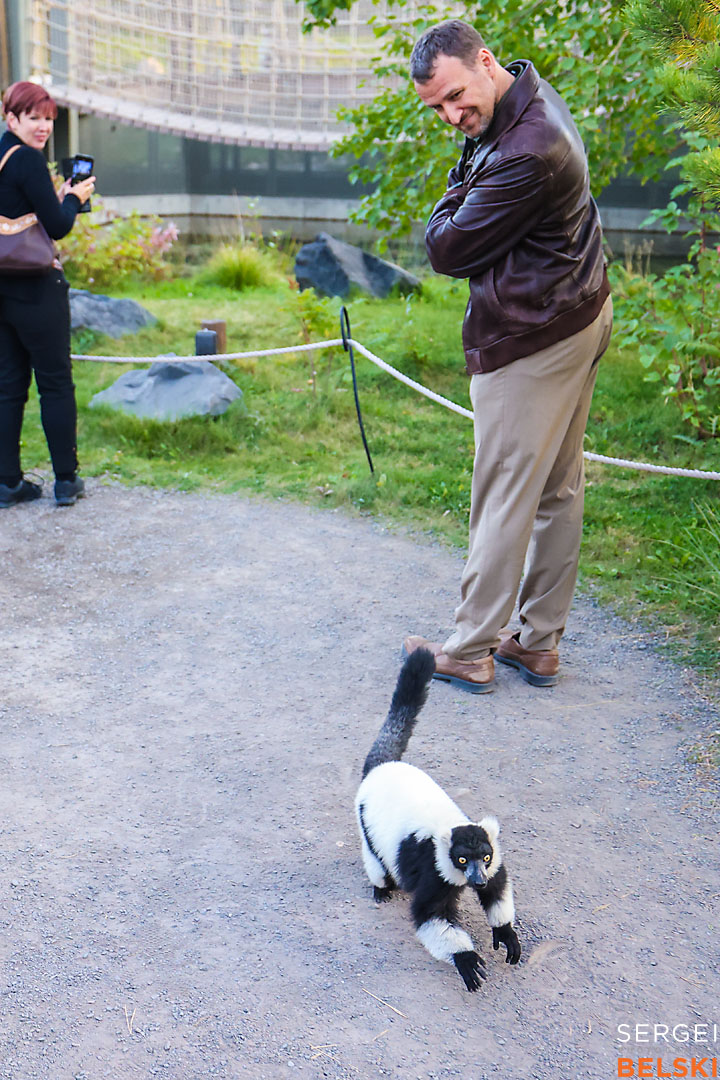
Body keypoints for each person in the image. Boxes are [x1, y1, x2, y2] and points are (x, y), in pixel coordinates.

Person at [403, 20, 613, 692]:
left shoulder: (526, 149)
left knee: (503, 490)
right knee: (555, 487)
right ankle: (538, 641)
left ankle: (470, 648)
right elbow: (463, 220)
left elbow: (447, 249)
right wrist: (465, 175)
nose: (451, 116)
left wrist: (455, 196)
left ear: (485, 62)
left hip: (536, 334)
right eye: (436, 107)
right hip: (576, 308)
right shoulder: (522, 96)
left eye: (457, 97)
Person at [0, 81, 95, 508]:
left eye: (48, 119)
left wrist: (54, 202)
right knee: (55, 383)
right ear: (11, 118)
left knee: (7, 386)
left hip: (1, 287)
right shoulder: (29, 161)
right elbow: (57, 226)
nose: (42, 127)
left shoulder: (2, 156)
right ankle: (65, 481)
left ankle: (7, 482)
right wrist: (74, 198)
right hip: (37, 287)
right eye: (33, 117)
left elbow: (21, 211)